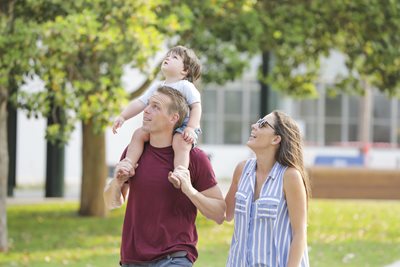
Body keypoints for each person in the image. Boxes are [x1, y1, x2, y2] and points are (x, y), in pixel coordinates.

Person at [104, 86, 225, 267]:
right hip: (132, 259)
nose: (146, 110)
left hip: (174, 257)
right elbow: (110, 202)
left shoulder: (195, 158)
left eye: (156, 106)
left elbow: (219, 213)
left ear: (173, 118)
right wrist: (117, 181)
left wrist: (190, 191)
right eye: (148, 104)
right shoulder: (133, 153)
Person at [225, 110, 311, 267]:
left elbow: (299, 233)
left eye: (262, 124)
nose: (254, 126)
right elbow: (226, 213)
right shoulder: (241, 169)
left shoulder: (290, 176)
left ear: (276, 139)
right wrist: (190, 188)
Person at [112, 45, 202, 187]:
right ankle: (128, 164)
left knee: (181, 142)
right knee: (138, 134)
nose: (168, 58)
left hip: (183, 126)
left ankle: (180, 172)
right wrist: (123, 116)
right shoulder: (158, 86)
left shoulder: (186, 86)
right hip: (160, 127)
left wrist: (191, 127)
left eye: (174, 57)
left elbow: (196, 106)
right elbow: (140, 102)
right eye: (168, 55)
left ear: (185, 70)